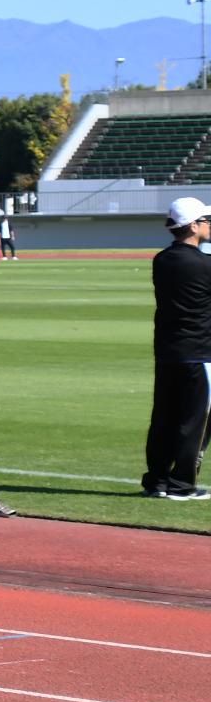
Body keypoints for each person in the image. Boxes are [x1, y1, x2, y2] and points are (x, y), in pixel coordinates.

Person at [144, 198, 211, 499]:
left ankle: (157, 481)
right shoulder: (204, 265)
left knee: (164, 418)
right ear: (193, 225)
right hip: (199, 352)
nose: (209, 225)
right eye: (206, 220)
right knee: (193, 420)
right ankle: (183, 484)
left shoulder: (162, 260)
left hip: (168, 351)